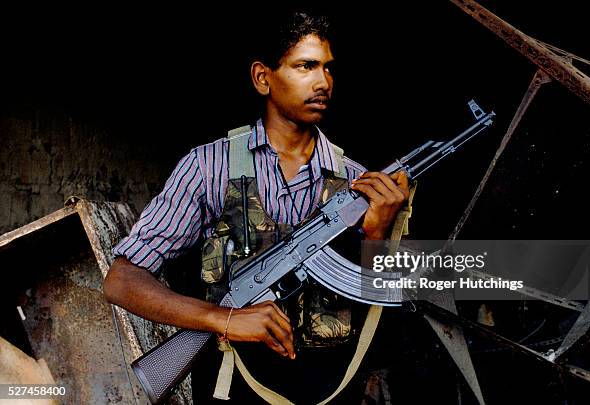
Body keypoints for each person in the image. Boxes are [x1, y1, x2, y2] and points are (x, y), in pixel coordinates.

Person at [103, 10, 410, 404]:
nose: (323, 82)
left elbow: (386, 317)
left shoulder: (355, 180)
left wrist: (376, 236)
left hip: (331, 391)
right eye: (306, 66)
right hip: (234, 388)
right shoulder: (210, 166)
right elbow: (122, 280)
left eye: (328, 69)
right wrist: (224, 318)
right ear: (263, 78)